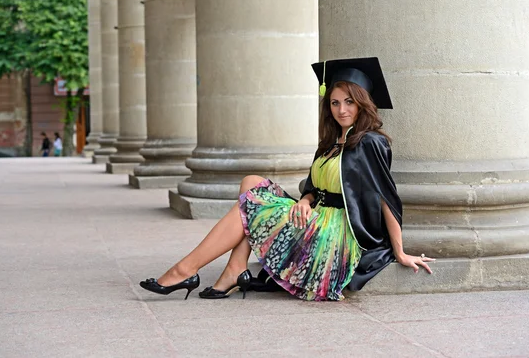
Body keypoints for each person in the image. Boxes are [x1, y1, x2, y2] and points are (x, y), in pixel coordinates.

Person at [140, 57, 435, 301]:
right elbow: (313, 187)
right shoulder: (332, 142)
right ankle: (234, 268)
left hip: (334, 234)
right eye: (334, 103)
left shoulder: (370, 142)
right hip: (314, 214)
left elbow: (386, 198)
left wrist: (400, 251)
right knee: (251, 182)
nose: (341, 109)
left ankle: (187, 270)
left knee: (249, 204)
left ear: (361, 103)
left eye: (348, 102)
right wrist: (305, 201)